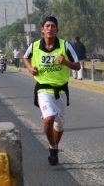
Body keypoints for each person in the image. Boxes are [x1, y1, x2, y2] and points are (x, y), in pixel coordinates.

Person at [23, 16, 80, 166]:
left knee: (59, 125)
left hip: (61, 90)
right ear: (42, 29)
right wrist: (30, 68)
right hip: (43, 88)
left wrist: (65, 62)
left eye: (53, 26)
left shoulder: (65, 45)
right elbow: (25, 57)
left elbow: (78, 65)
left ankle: (53, 147)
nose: (50, 28)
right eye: (47, 26)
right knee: (48, 119)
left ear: (57, 29)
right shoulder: (34, 46)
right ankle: (52, 146)